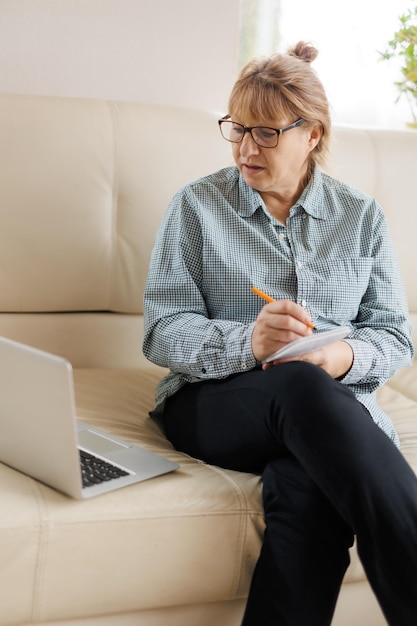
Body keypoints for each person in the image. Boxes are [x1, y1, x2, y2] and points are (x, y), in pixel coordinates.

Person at [143, 41, 417, 626]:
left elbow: (395, 335)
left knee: (311, 486)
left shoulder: (361, 217)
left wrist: (341, 355)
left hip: (325, 412)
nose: (246, 148)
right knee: (299, 387)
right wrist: (251, 342)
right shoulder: (196, 206)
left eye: (266, 133)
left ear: (311, 134)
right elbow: (162, 332)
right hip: (215, 405)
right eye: (237, 129)